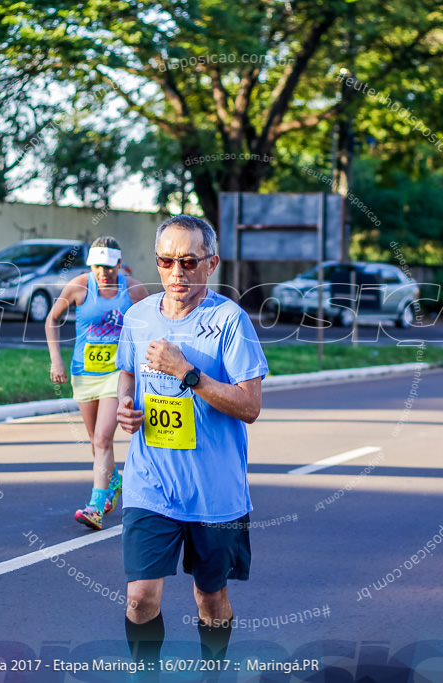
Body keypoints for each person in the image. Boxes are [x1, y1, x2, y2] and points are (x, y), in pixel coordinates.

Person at [115, 215, 268, 671]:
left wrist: (187, 372)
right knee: (140, 599)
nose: (176, 273)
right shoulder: (138, 316)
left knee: (210, 598)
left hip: (215, 493)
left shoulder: (229, 320)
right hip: (150, 481)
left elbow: (250, 405)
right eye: (166, 261)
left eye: (188, 261)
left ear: (211, 263)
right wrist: (126, 405)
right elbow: (127, 373)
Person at [46, 236, 148, 530]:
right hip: (84, 374)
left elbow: (154, 320)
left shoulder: (133, 289)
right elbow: (52, 320)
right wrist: (57, 360)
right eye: (98, 266)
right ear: (91, 264)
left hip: (117, 374)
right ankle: (112, 479)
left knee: (103, 438)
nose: (104, 272)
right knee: (95, 441)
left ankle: (95, 507)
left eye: (109, 266)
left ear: (119, 264)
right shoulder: (79, 285)